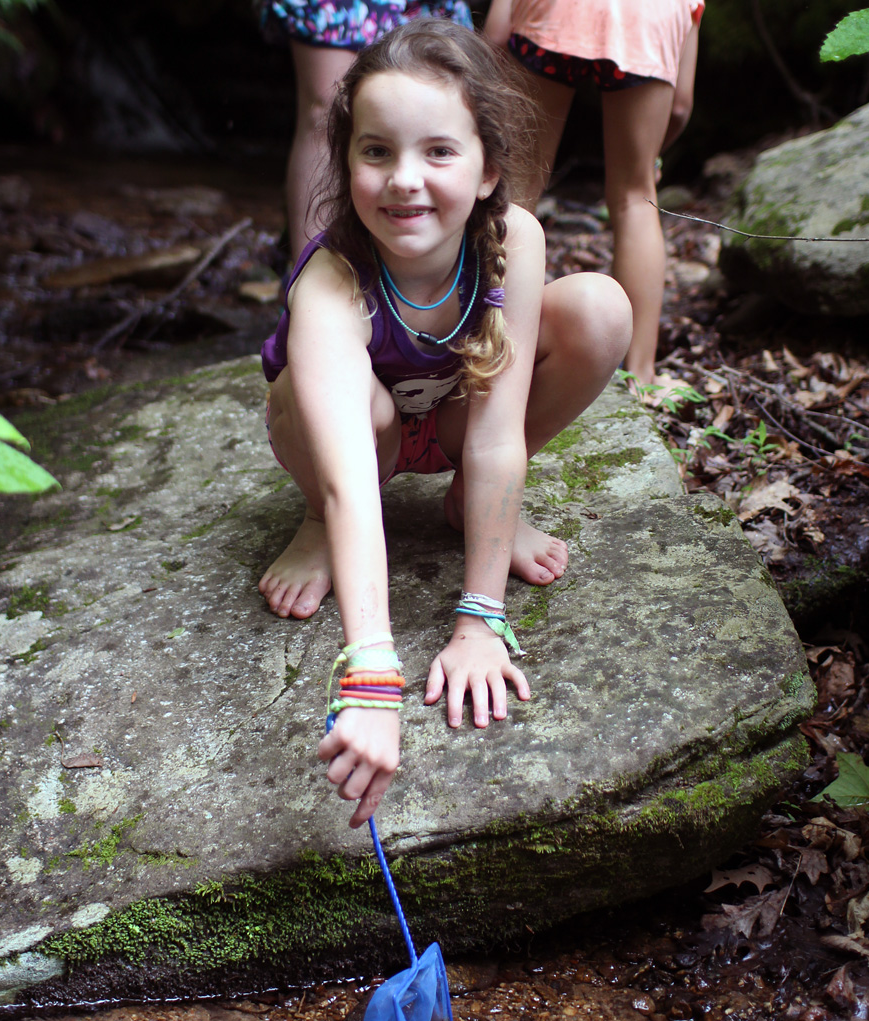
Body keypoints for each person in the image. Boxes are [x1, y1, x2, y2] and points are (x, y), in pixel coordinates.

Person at [258, 19, 632, 828]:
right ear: (346, 160)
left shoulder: (513, 241)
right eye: (376, 151)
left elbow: (499, 431)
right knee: (330, 401)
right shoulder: (330, 283)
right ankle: (314, 526)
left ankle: (471, 505)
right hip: (363, 448)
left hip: (462, 422)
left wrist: (479, 616)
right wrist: (371, 675)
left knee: (601, 310)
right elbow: (355, 480)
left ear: (490, 167)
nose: (404, 181)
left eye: (438, 152)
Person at [485, 0, 703, 389]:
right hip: (648, 19)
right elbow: (682, 104)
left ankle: (489, 344)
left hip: (553, 14)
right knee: (636, 199)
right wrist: (649, 157)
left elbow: (497, 35)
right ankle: (641, 376)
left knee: (517, 192)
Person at [255, 0, 474, 262]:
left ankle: (441, 276)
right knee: (327, 111)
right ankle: (315, 266)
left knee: (440, 106)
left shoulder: (522, 233)